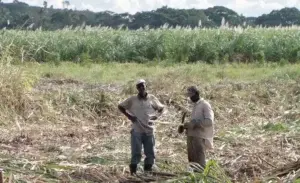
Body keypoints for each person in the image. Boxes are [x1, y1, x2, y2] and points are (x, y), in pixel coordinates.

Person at [118, 79, 165, 175]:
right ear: (137, 88)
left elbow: (161, 108)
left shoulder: (152, 98)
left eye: (142, 85)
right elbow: (120, 106)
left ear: (145, 86)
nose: (141, 88)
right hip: (137, 130)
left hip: (149, 130)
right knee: (136, 152)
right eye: (139, 86)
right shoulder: (132, 100)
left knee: (150, 153)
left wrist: (157, 116)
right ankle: (133, 174)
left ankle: (147, 174)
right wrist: (129, 116)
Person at [181, 86, 215, 171]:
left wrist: (195, 124)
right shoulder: (195, 105)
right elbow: (194, 122)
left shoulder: (205, 105)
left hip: (199, 138)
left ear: (196, 94)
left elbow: (209, 121)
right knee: (192, 162)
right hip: (191, 137)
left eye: (191, 95)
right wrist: (186, 126)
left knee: (200, 163)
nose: (190, 98)